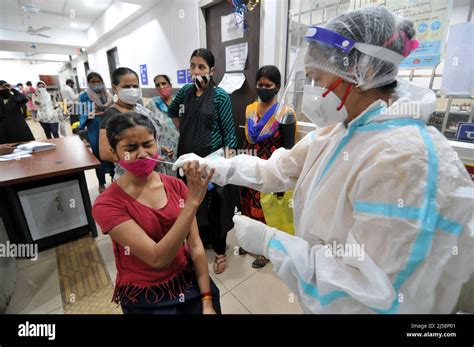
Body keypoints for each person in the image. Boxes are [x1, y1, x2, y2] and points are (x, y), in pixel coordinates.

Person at [173, 6, 474, 313]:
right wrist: (216, 166)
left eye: (317, 78)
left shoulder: (404, 157)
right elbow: (278, 169)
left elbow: (368, 291)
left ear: (365, 70)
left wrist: (271, 242)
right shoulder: (340, 130)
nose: (314, 91)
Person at [92, 112, 221, 314]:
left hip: (186, 278)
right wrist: (192, 203)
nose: (142, 154)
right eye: (131, 148)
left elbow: (195, 246)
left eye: (148, 144)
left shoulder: (176, 186)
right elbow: (157, 259)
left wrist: (206, 301)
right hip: (146, 293)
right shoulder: (107, 204)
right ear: (114, 153)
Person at [168, 49, 239, 274]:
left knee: (216, 205)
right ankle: (200, 241)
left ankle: (219, 250)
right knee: (192, 203)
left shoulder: (220, 96)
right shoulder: (185, 93)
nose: (196, 71)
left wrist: (229, 166)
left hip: (213, 163)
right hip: (188, 160)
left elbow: (229, 132)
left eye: (201, 67)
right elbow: (173, 112)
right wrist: (185, 129)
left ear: (211, 70)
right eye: (193, 66)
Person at [238, 65, 296, 268]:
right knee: (247, 207)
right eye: (260, 84)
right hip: (251, 167)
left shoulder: (285, 113)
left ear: (277, 87)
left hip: (271, 170)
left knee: (265, 211)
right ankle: (247, 240)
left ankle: (264, 250)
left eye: (268, 85)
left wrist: (282, 181)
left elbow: (289, 149)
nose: (263, 88)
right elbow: (247, 140)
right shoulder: (250, 109)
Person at [99, 67, 172, 179]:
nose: (132, 90)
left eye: (135, 86)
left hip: (153, 173)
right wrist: (143, 159)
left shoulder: (141, 110)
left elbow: (141, 139)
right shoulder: (111, 115)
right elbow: (105, 153)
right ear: (115, 88)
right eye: (127, 87)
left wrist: (159, 149)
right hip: (130, 177)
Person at [78, 72, 115, 193]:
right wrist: (92, 114)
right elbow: (82, 114)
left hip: (110, 127)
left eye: (98, 81)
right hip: (95, 129)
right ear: (88, 83)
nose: (96, 84)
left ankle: (114, 178)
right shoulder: (84, 96)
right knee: (99, 155)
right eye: (93, 82)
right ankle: (101, 182)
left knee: (113, 152)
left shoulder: (108, 95)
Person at [145, 74, 179, 176]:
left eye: (164, 83)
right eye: (158, 85)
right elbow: (146, 127)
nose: (161, 87)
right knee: (168, 177)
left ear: (170, 85)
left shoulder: (178, 102)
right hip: (165, 149)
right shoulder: (152, 105)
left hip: (181, 146)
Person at [0, 80, 35, 144]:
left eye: (3, 87)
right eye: (0, 87)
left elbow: (24, 99)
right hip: (4, 130)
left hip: (18, 127)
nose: (2, 89)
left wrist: (12, 89)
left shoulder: (15, 98)